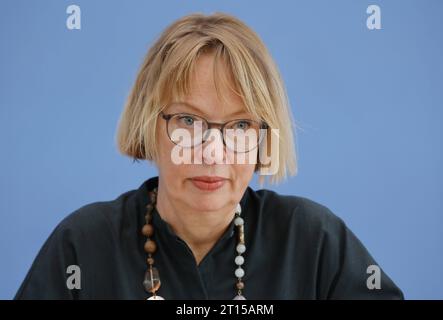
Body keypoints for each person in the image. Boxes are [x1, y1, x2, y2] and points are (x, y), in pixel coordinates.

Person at [15, 12, 403, 300]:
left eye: (239, 126)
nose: (212, 152)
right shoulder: (82, 245)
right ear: (150, 125)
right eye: (188, 120)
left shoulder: (313, 240)